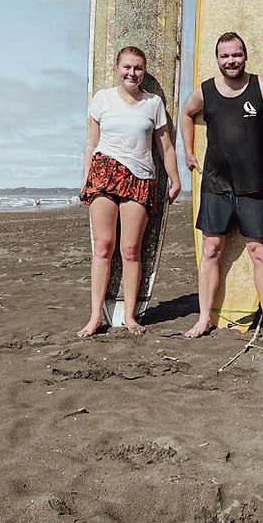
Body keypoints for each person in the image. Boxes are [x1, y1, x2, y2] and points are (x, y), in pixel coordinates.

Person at [180, 31, 263, 340]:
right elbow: (186, 114)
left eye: (236, 54)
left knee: (259, 253)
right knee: (211, 250)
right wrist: (189, 151)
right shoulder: (206, 91)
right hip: (215, 185)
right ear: (217, 59)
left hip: (254, 186)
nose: (231, 60)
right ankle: (204, 318)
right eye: (225, 56)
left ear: (245, 56)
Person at [78, 46, 181, 337]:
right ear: (117, 68)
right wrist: (86, 180)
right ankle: (95, 317)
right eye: (127, 67)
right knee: (103, 247)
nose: (132, 73)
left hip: (140, 178)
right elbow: (91, 143)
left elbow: (165, 147)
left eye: (137, 68)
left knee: (131, 250)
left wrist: (175, 180)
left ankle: (131, 317)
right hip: (104, 174)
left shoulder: (154, 103)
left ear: (144, 71)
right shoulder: (102, 99)